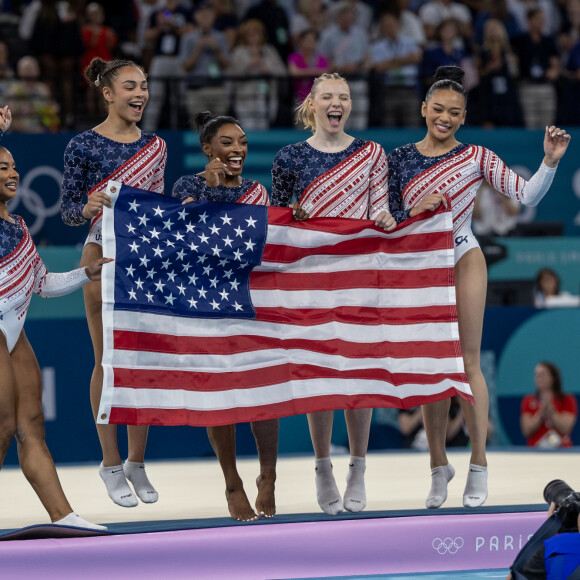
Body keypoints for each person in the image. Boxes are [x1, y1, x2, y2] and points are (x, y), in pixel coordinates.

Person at [387, 65, 571, 509]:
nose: (444, 118)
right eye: (438, 109)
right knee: (434, 370)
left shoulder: (476, 158)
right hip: (421, 265)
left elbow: (525, 196)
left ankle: (479, 462)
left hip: (464, 255)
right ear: (423, 109)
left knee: (468, 363)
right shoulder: (397, 160)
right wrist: (414, 211)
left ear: (464, 116)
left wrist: (549, 160)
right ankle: (437, 466)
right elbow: (385, 219)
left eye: (454, 112)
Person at [270, 72, 395, 516]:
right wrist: (292, 217)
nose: (337, 102)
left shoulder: (371, 153)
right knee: (320, 373)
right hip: (311, 277)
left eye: (343, 96)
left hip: (358, 275)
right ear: (312, 105)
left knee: (359, 375)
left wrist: (384, 218)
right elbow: (277, 218)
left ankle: (357, 467)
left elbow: (380, 206)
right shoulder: (289, 157)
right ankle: (322, 464)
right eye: (328, 97)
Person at [60, 57, 167, 507]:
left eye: (143, 85)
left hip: (146, 259)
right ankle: (109, 462)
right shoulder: (82, 146)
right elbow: (67, 212)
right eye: (129, 86)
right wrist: (86, 207)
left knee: (141, 363)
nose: (139, 93)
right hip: (101, 256)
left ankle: (136, 462)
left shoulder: (157, 146)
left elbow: (159, 211)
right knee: (108, 360)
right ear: (108, 93)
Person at [0, 106, 109, 531]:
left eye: (12, 165)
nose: (13, 172)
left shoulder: (21, 228)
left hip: (13, 331)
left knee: (30, 425)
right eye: (1, 167)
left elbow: (43, 283)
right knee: (4, 424)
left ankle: (64, 516)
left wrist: (88, 273)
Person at [172, 111, 275, 522]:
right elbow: (188, 231)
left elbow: (269, 240)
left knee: (262, 391)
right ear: (207, 149)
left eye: (243, 142)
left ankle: (268, 476)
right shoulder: (187, 185)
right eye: (228, 143)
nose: (238, 150)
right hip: (208, 300)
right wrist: (211, 191)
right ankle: (232, 482)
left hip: (253, 296)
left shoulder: (257, 191)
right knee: (222, 394)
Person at [228, 19, 286, 130]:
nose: (254, 37)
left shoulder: (270, 50)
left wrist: (268, 70)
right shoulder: (239, 52)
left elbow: (282, 73)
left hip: (267, 96)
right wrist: (248, 66)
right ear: (244, 36)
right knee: (247, 130)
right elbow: (232, 75)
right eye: (250, 34)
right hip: (245, 98)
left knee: (264, 129)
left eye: (257, 34)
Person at [520, 362, 578, 448]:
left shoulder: (567, 399)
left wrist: (551, 411)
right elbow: (526, 430)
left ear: (553, 377)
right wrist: (540, 413)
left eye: (542, 375)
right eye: (536, 375)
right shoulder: (528, 400)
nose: (538, 378)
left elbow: (565, 428)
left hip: (562, 449)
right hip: (535, 450)